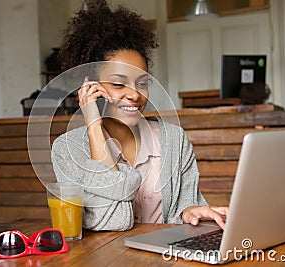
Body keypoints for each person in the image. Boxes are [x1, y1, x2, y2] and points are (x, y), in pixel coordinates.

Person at [51, 0, 228, 231]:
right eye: (118, 84)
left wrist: (189, 212)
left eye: (142, 83)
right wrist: (94, 126)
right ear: (90, 86)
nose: (134, 94)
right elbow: (112, 221)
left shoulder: (174, 140)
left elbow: (187, 204)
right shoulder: (68, 150)